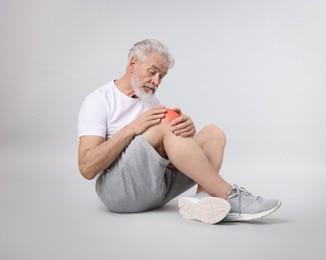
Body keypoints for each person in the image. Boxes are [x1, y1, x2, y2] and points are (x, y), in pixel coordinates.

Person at [77, 39, 281, 224]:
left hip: (156, 191)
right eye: (152, 71)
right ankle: (229, 195)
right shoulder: (99, 100)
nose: (156, 81)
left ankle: (203, 202)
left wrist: (186, 132)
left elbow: (178, 156)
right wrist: (132, 128)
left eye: (162, 76)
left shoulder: (151, 102)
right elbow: (87, 168)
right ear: (133, 64)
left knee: (213, 133)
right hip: (118, 194)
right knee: (166, 119)